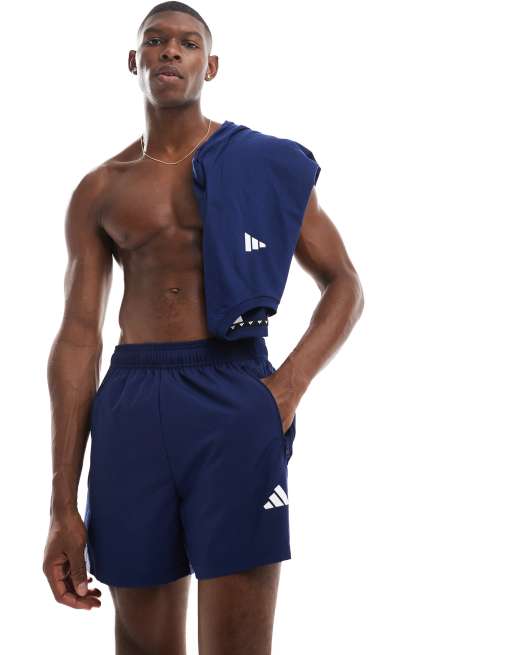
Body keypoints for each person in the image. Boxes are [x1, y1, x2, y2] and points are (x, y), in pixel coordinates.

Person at [42, 2, 364, 653]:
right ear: (133, 60)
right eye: (155, 40)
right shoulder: (100, 189)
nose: (170, 51)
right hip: (132, 405)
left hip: (233, 389)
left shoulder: (261, 163)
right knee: (141, 642)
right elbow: (78, 338)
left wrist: (286, 388)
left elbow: (344, 285)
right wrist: (61, 504)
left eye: (188, 43)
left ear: (209, 66)